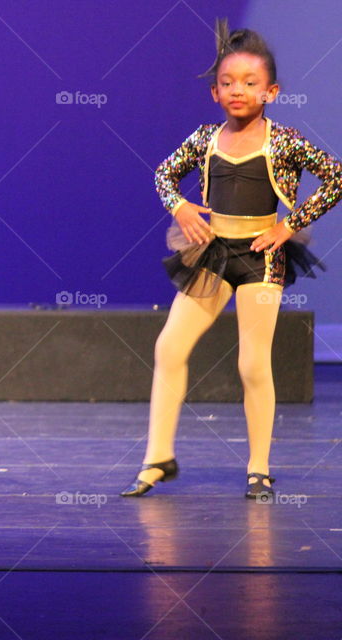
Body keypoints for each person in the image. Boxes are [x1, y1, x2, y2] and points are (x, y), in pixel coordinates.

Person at [120, 21, 342, 499]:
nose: (237, 90)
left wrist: (289, 223)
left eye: (250, 83)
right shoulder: (206, 139)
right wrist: (180, 204)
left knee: (251, 364)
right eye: (227, 83)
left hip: (262, 258)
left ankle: (258, 466)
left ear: (271, 91)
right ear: (215, 93)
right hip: (213, 255)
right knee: (169, 348)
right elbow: (163, 174)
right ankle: (158, 456)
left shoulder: (283, 141)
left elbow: (336, 178)